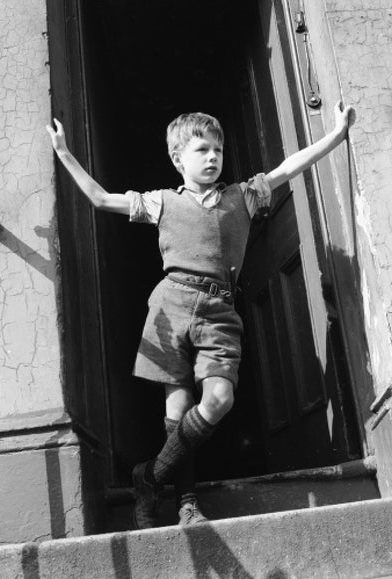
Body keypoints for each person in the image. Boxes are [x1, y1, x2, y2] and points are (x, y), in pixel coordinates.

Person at [46, 100, 355, 529]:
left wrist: (336, 135)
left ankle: (149, 476)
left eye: (217, 150)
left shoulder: (244, 196)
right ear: (177, 159)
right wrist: (63, 152)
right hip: (169, 307)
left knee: (219, 399)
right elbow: (100, 199)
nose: (212, 157)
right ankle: (187, 505)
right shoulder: (160, 203)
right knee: (177, 411)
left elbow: (291, 166)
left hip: (219, 311)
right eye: (201, 150)